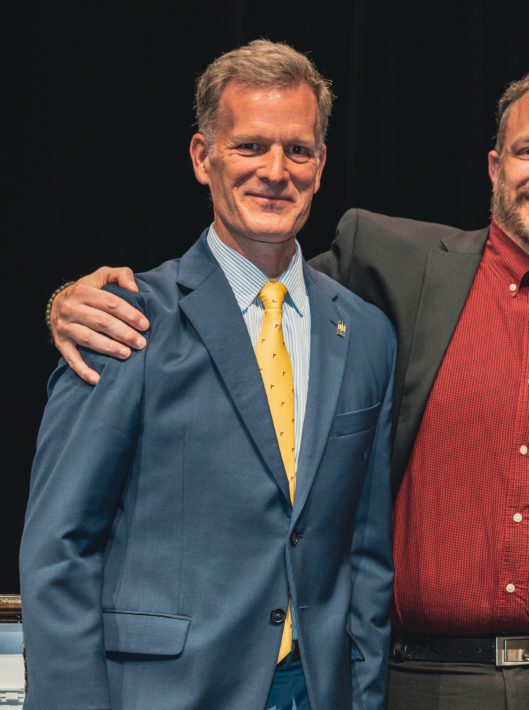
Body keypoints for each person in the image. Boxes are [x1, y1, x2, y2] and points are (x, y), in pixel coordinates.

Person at [47, 64, 529, 708]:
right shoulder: (389, 267)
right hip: (414, 681)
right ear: (495, 168)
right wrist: (66, 303)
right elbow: (244, 290)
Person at [21, 40, 395, 710]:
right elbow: (60, 549)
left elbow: (365, 555)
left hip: (314, 691)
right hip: (164, 692)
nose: (275, 171)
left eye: (297, 150)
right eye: (250, 146)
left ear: (320, 165)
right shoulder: (123, 319)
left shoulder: (365, 334)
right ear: (203, 157)